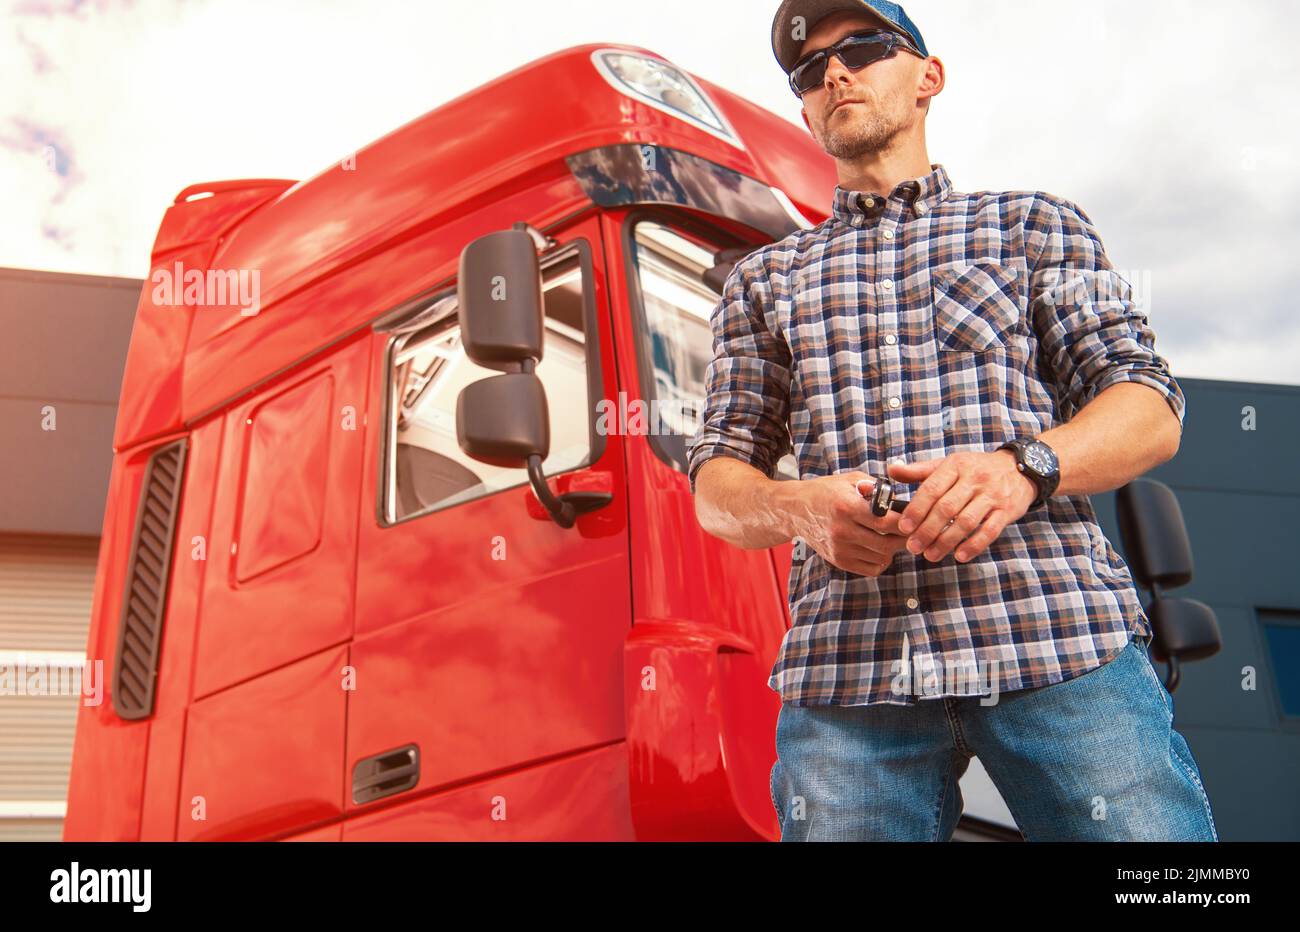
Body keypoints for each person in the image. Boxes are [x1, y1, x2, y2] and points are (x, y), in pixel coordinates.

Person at [685, 0, 1217, 841]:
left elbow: (1148, 405)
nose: (834, 71)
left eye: (862, 46)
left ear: (929, 77)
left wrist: (1022, 466)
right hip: (850, 673)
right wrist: (802, 510)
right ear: (805, 108)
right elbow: (717, 482)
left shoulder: (1035, 226)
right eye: (808, 68)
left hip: (1055, 639)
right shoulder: (762, 282)